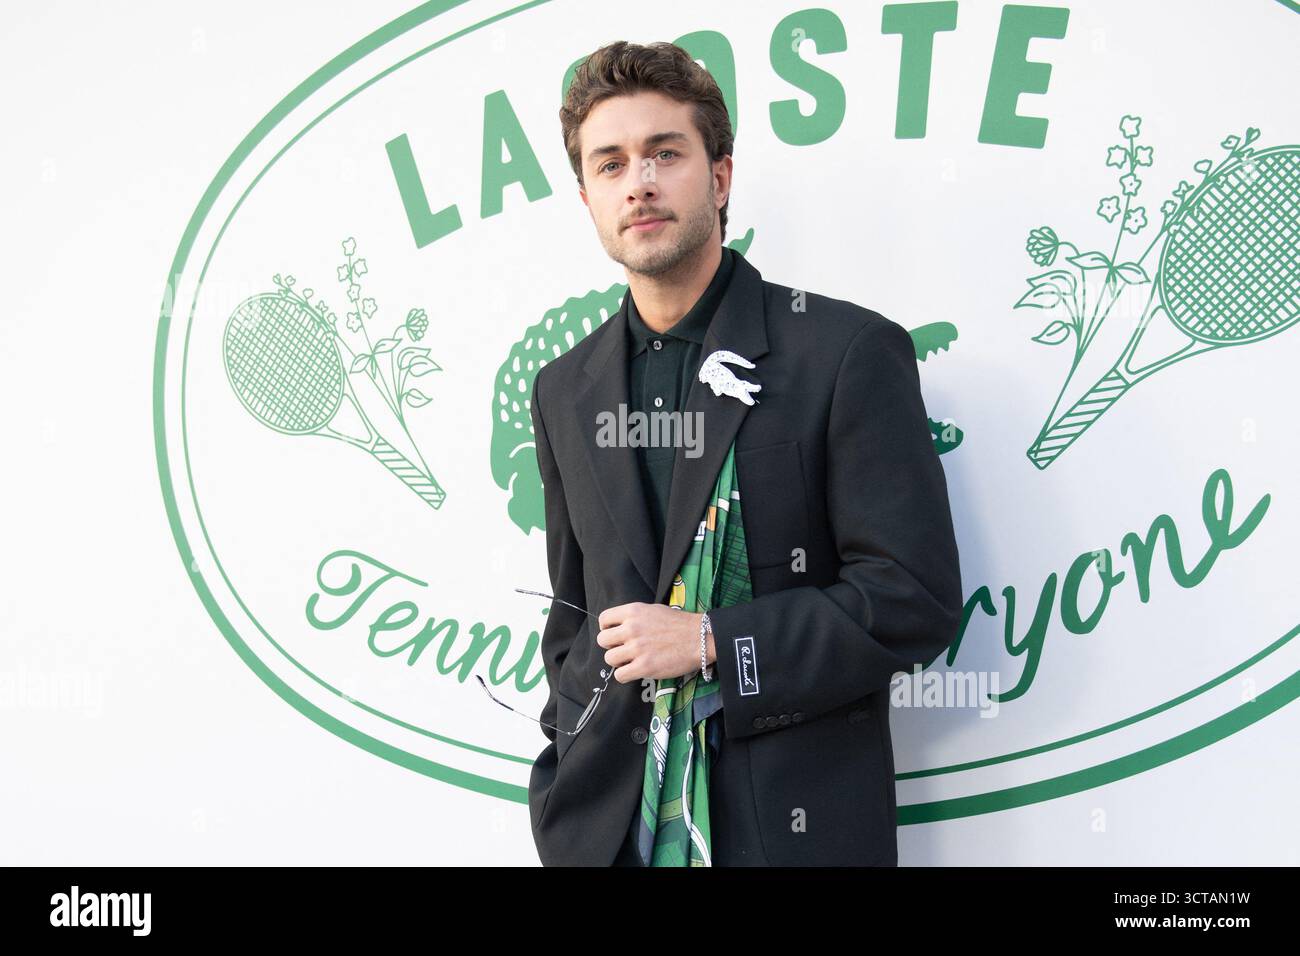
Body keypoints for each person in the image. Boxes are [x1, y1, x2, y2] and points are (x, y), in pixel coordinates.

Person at [526, 39, 963, 866]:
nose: (640, 183)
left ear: (720, 177)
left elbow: (915, 597)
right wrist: (564, 782)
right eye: (610, 165)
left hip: (792, 834)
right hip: (609, 835)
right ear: (586, 197)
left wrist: (713, 640)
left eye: (665, 153)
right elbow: (573, 615)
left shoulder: (845, 351)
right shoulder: (563, 390)